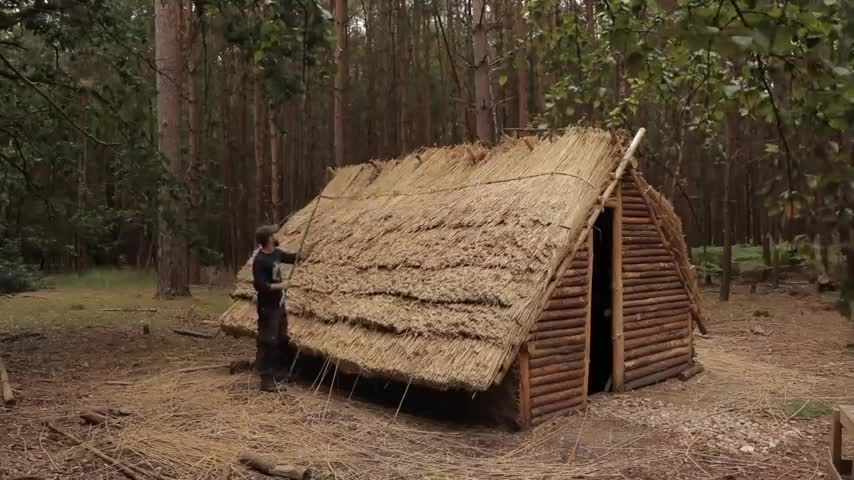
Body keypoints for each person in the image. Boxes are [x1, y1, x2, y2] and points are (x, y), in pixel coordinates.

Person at [252, 225, 297, 392]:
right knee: (268, 341)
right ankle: (266, 380)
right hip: (267, 306)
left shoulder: (277, 253)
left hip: (279, 304)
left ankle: (280, 373)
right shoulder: (260, 260)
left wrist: (307, 252)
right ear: (268, 239)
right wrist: (281, 286)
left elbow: (292, 258)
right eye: (272, 235)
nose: (275, 236)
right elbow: (260, 286)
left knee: (281, 338)